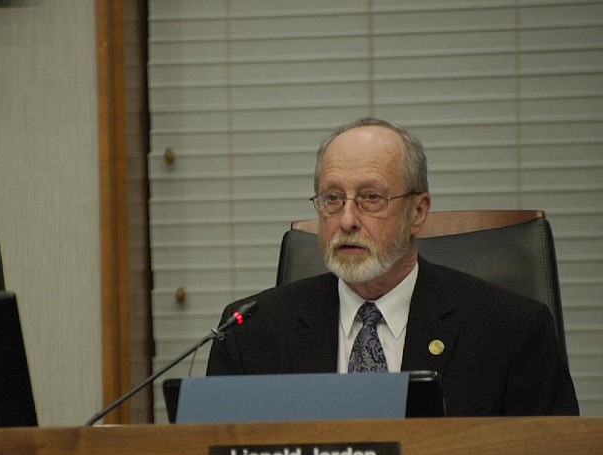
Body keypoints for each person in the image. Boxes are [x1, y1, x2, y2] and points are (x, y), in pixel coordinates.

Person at [206, 117, 579, 416]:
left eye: (371, 198)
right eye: (332, 198)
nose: (347, 219)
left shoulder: (511, 332)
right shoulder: (249, 334)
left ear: (417, 212)